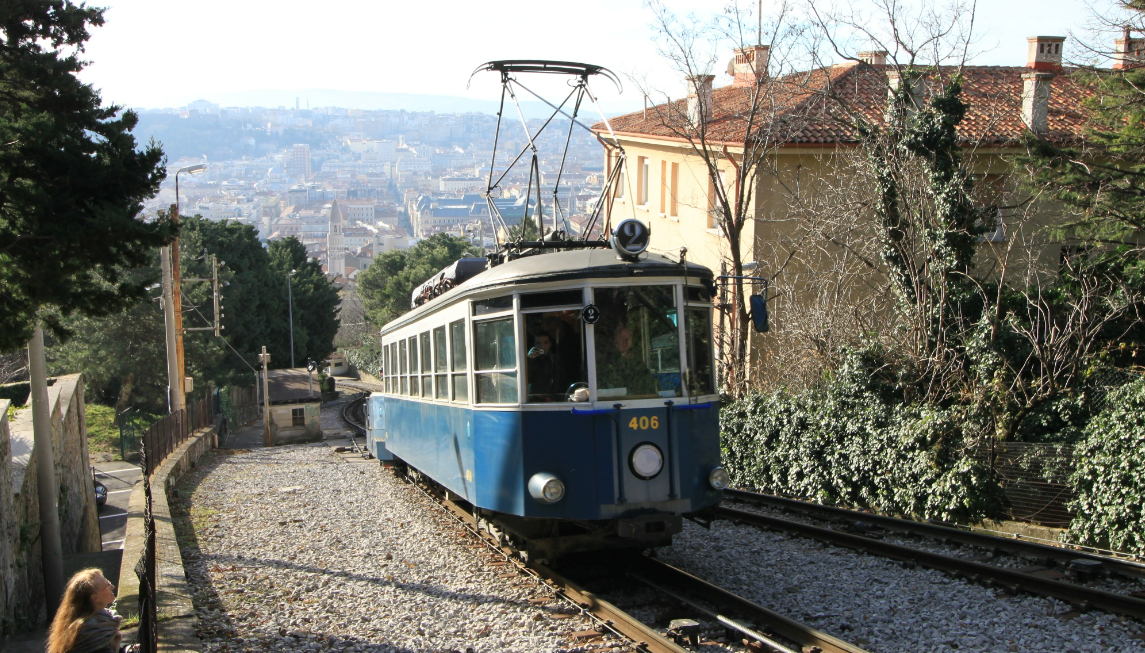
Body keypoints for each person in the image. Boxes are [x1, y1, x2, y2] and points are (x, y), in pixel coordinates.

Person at [46, 568, 123, 653]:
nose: (112, 587)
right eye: (107, 586)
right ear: (95, 598)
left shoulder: (101, 618)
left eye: (109, 582)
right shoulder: (90, 629)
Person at [596, 323, 658, 397]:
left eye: (628, 338)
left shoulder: (637, 362)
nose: (626, 342)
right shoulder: (607, 362)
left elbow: (648, 385)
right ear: (616, 340)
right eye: (622, 338)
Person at [527, 332, 561, 400]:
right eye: (538, 343)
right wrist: (529, 360)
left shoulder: (555, 361)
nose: (542, 346)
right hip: (534, 399)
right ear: (534, 344)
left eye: (545, 342)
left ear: (550, 344)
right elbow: (526, 379)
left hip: (552, 399)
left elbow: (560, 382)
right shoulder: (531, 360)